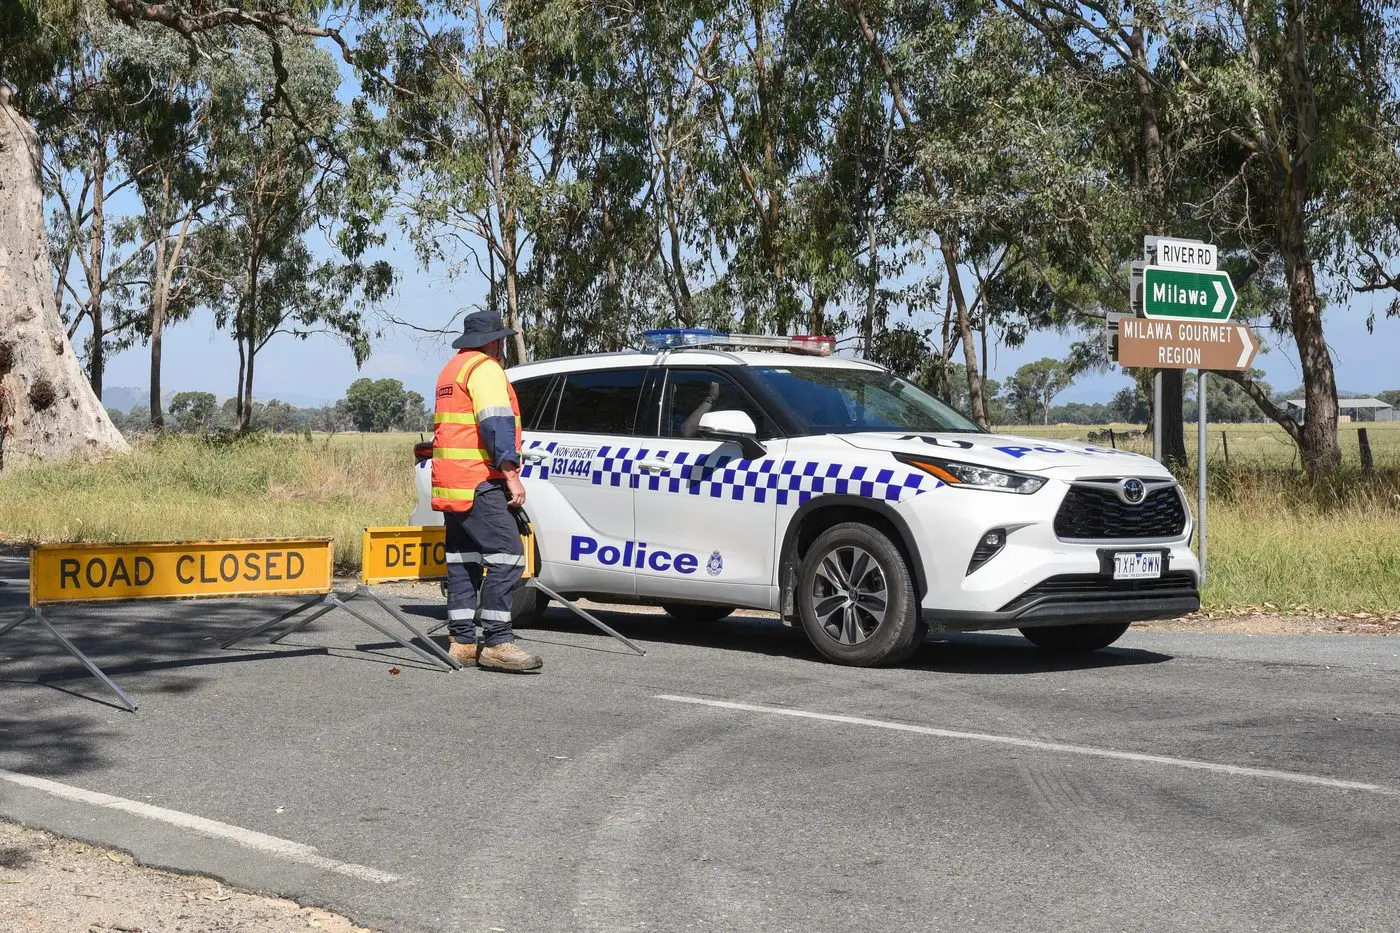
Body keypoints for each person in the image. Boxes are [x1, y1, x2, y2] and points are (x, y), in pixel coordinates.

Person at [431, 310, 542, 673]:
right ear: (495, 341)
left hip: (452, 482)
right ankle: (497, 641)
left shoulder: (452, 369)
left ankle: (462, 640)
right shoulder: (486, 369)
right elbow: (495, 425)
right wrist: (511, 475)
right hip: (479, 479)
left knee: (464, 561)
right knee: (508, 555)